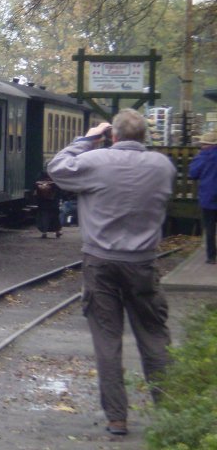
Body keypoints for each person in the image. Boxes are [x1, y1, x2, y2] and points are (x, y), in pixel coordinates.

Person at [47, 108, 176, 437]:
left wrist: (87, 139)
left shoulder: (97, 161)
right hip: (144, 264)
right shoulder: (163, 166)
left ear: (113, 136)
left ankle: (117, 418)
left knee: (107, 339)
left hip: (100, 262)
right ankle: (172, 410)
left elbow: (57, 168)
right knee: (154, 335)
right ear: (144, 136)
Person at [188, 130, 217, 264]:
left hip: (208, 197)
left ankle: (211, 257)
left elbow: (193, 173)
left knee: (210, 228)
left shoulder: (202, 156)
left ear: (206, 144)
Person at [34, 170, 62, 238]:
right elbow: (59, 191)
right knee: (55, 217)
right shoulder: (55, 181)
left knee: (44, 217)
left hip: (43, 203)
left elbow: (35, 192)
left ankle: (44, 232)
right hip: (53, 203)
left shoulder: (39, 182)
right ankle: (57, 232)